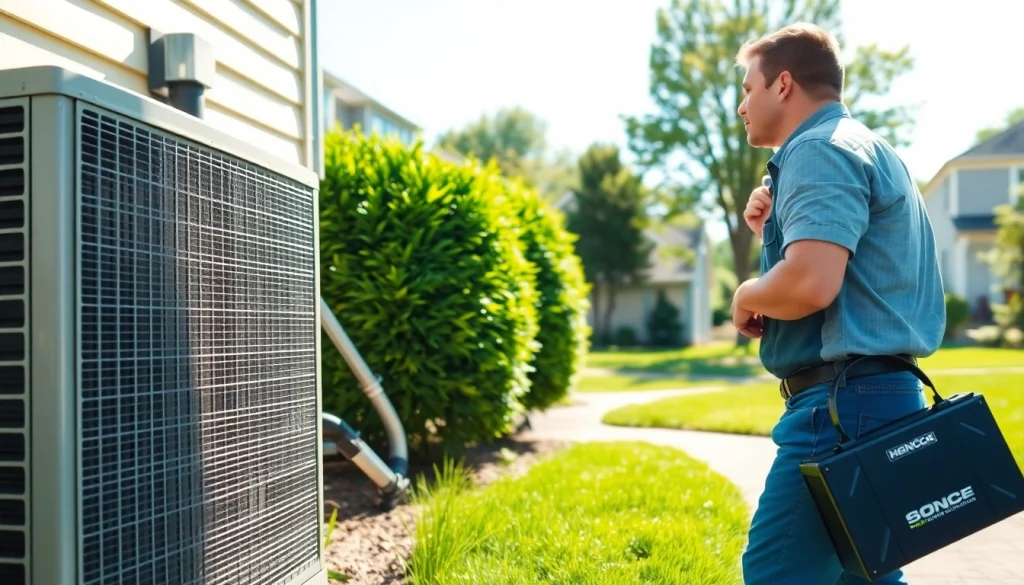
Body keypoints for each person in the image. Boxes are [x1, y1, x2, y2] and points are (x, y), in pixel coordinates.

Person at [730, 22, 946, 585]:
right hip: (881, 397)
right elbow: (851, 282)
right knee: (865, 577)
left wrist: (746, 293)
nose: (740, 106)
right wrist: (772, 233)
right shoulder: (870, 148)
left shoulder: (818, 151)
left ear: (782, 85)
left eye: (747, 89)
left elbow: (809, 286)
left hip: (840, 410)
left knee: (777, 573)